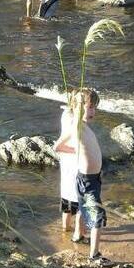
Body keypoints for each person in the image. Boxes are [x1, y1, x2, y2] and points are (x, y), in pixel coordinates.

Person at [54, 87, 111, 267]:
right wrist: (74, 150)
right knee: (97, 218)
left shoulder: (84, 126)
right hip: (87, 181)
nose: (92, 111)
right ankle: (94, 256)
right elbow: (58, 147)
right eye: (88, 107)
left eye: (94, 107)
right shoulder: (76, 127)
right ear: (77, 109)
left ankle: (78, 235)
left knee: (82, 209)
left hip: (93, 179)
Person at [56, 98, 85, 243]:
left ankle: (65, 230)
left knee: (67, 202)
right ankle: (78, 234)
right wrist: (78, 151)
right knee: (79, 201)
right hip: (74, 163)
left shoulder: (66, 115)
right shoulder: (76, 122)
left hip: (66, 164)